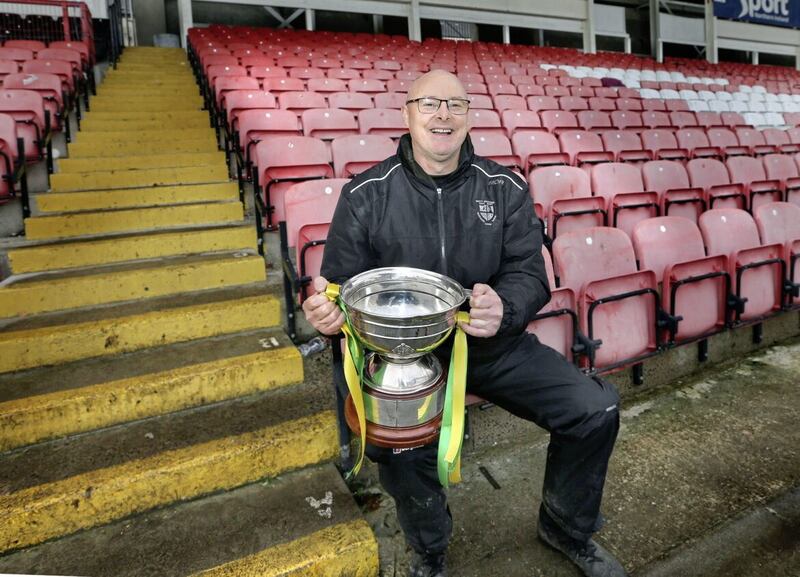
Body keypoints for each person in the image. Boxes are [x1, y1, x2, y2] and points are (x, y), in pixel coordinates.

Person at [302, 70, 626, 577]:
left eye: (455, 105)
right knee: (403, 451)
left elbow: (529, 273)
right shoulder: (366, 194)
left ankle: (566, 526)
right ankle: (430, 549)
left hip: (491, 344)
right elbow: (341, 291)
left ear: (470, 116)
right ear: (407, 114)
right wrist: (324, 316)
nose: (443, 115)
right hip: (406, 354)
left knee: (595, 408)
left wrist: (506, 307)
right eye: (430, 103)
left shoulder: (504, 188)